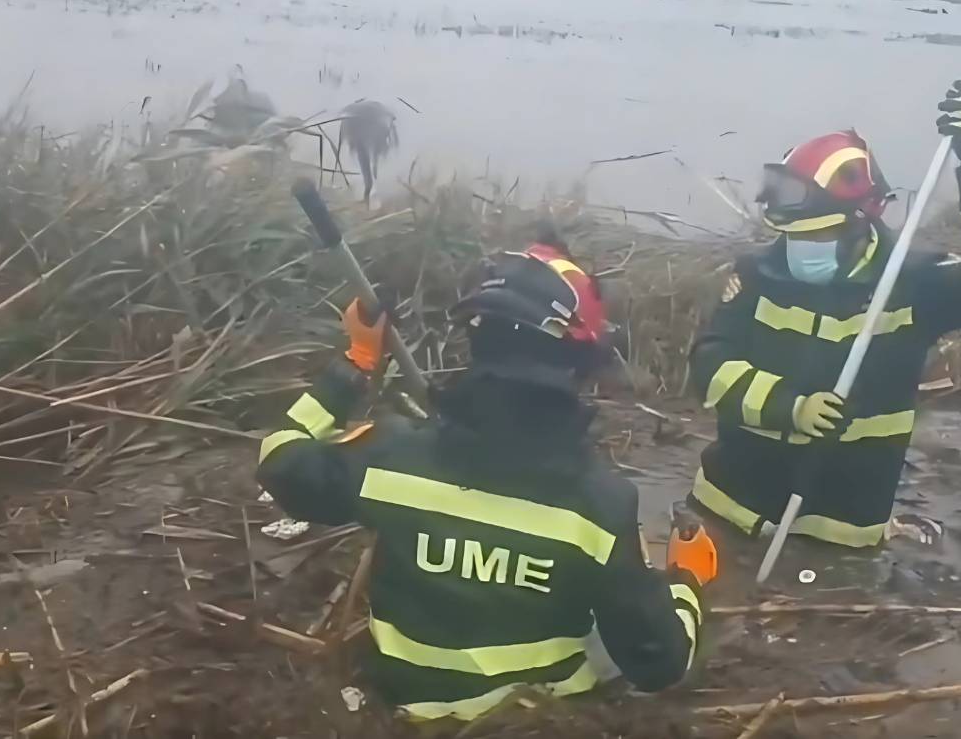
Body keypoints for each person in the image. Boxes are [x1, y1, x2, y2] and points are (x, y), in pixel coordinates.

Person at [257, 241, 717, 721]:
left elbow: (280, 459)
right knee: (619, 610)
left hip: (402, 704)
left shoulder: (386, 457)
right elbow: (659, 664)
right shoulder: (600, 507)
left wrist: (353, 364)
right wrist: (687, 580)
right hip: (532, 719)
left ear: (478, 340)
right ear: (578, 366)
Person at [689, 80, 961, 548]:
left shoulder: (911, 285)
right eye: (794, 236)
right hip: (729, 507)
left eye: (817, 236)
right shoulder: (757, 275)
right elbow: (710, 364)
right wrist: (790, 408)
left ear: (859, 226)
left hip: (842, 524)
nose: (801, 248)